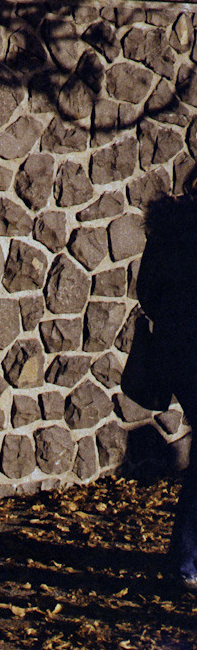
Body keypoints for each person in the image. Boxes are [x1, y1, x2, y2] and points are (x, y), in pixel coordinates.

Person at [135, 190, 197, 588]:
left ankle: (186, 557)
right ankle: (186, 559)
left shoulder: (169, 226)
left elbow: (147, 291)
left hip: (177, 349)